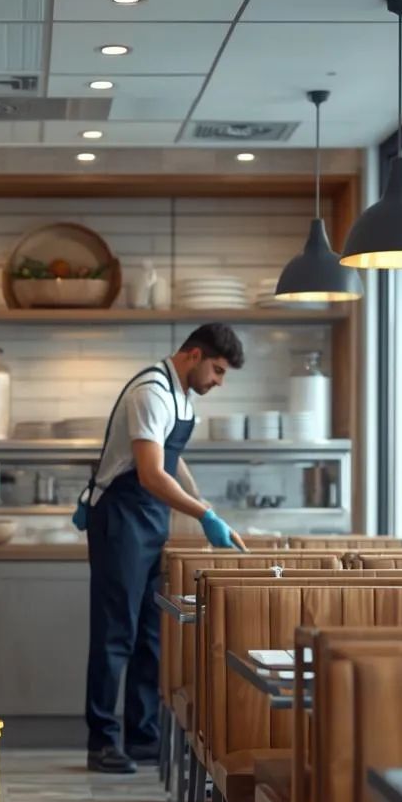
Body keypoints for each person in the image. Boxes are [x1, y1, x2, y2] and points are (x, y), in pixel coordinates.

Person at [82, 323, 247, 775]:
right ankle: (102, 741)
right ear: (193, 355)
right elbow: (153, 474)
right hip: (121, 518)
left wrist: (207, 507)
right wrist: (201, 515)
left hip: (150, 520)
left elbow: (172, 459)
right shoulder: (151, 391)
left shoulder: (180, 395)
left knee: (149, 635)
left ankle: (142, 737)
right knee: (115, 633)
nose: (218, 381)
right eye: (217, 370)